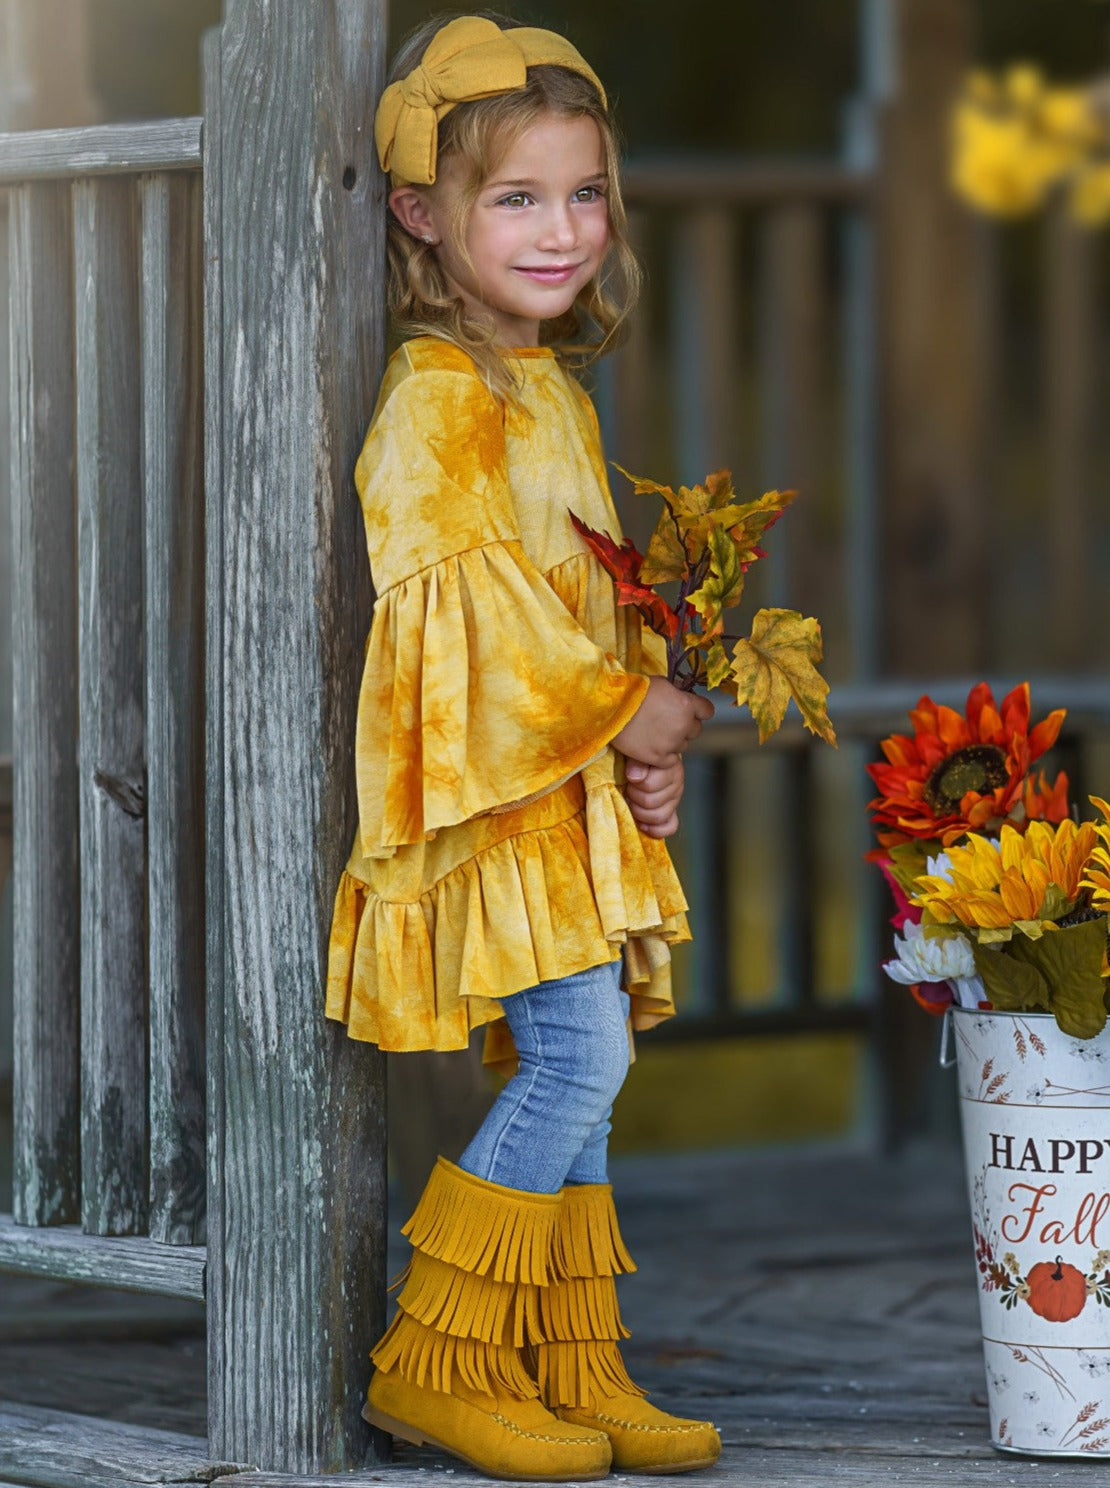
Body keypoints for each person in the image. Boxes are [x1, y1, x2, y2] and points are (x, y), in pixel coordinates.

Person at [326, 12, 721, 1481]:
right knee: (576, 1062)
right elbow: (462, 631)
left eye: (582, 193)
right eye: (515, 197)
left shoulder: (549, 389)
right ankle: (434, 1360)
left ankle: (572, 1364)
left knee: (590, 1078)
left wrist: (643, 740)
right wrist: (623, 709)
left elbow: (578, 613)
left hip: (565, 790)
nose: (560, 229)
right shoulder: (439, 402)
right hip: (499, 793)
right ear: (424, 216)